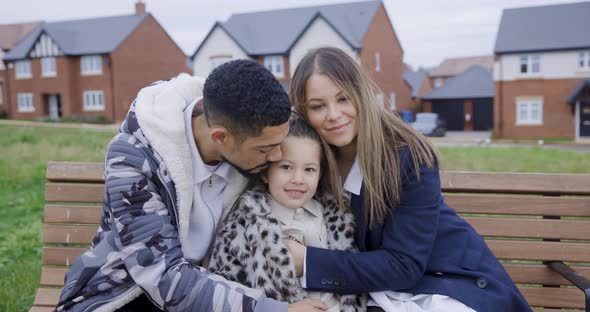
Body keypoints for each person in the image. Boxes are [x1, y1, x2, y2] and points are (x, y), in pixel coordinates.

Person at [54, 60, 327, 312]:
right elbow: (163, 277)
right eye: (266, 149)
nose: (278, 156)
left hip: (217, 292)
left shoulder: (250, 133)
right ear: (221, 137)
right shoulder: (133, 158)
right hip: (126, 296)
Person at [286, 47, 532, 312]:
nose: (333, 114)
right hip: (370, 288)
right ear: (303, 111)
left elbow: (404, 265)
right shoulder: (306, 160)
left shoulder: (409, 156)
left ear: (362, 95)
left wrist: (307, 261)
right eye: (318, 106)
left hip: (444, 282)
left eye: (344, 98)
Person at [207, 116, 366, 312]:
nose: (298, 179)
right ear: (265, 172)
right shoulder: (246, 223)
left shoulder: (336, 217)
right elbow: (224, 291)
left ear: (320, 174)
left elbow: (351, 278)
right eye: (286, 167)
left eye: (309, 169)